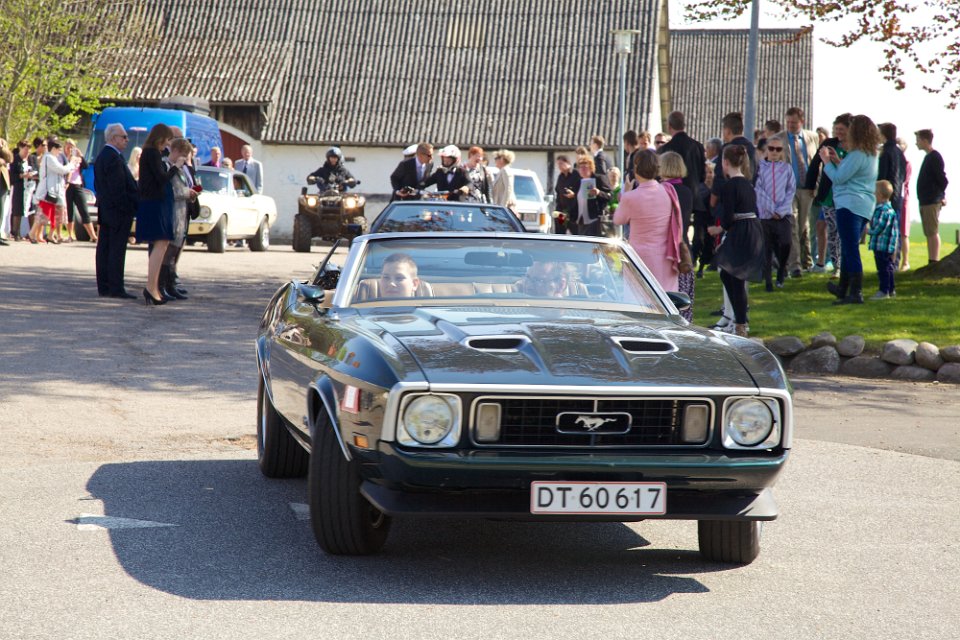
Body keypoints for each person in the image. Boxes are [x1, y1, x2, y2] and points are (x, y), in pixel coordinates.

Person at [822, 114, 881, 305]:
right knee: (849, 247)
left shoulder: (857, 154)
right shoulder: (871, 154)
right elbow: (852, 173)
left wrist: (827, 162)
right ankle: (843, 288)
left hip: (850, 204)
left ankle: (856, 292)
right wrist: (838, 162)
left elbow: (839, 178)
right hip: (864, 205)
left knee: (850, 248)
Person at [708, 145, 765, 337]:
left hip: (741, 231)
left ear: (725, 163)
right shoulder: (748, 184)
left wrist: (718, 229)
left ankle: (740, 323)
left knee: (735, 276)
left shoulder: (729, 186)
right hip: (751, 230)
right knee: (727, 274)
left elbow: (727, 217)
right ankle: (738, 318)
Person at [613, 150, 682, 292]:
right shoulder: (668, 191)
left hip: (639, 257)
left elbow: (618, 219)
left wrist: (625, 193)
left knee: (638, 298)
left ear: (636, 168)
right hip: (665, 256)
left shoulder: (630, 197)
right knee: (665, 298)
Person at [137, 123, 181, 305]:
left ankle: (153, 287)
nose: (168, 144)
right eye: (168, 140)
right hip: (155, 203)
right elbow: (162, 178)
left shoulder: (150, 153)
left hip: (155, 203)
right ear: (161, 138)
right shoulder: (152, 153)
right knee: (160, 243)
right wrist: (175, 167)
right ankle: (150, 287)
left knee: (162, 244)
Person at [93, 124, 139, 299]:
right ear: (113, 138)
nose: (127, 140)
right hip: (117, 212)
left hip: (107, 210)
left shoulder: (105, 155)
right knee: (115, 250)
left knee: (106, 248)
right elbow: (118, 188)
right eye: (124, 136)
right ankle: (115, 287)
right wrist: (127, 207)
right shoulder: (112, 157)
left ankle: (105, 286)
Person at [805, 113, 852, 276]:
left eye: (841, 129)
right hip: (829, 194)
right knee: (831, 230)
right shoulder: (829, 144)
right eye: (836, 129)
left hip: (847, 195)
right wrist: (810, 185)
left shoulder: (856, 148)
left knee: (843, 231)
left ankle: (845, 263)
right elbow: (815, 163)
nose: (838, 132)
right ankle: (836, 265)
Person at [755, 135, 797, 291]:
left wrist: (780, 211)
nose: (774, 152)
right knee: (766, 248)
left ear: (782, 151)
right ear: (766, 150)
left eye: (778, 149)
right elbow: (758, 189)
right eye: (771, 148)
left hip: (783, 215)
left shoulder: (787, 169)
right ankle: (768, 282)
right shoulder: (760, 168)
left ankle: (781, 270)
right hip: (765, 216)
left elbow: (791, 190)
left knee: (786, 243)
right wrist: (771, 209)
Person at [657, 151, 696, 320]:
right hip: (683, 246)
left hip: (667, 250)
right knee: (683, 300)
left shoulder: (661, 191)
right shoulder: (687, 191)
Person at [782, 106, 820, 275]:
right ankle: (794, 265)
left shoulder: (812, 137)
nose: (790, 125)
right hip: (788, 189)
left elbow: (816, 162)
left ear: (802, 122)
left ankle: (806, 260)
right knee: (792, 224)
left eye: (794, 122)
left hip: (807, 188)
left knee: (803, 226)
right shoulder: (779, 139)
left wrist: (816, 184)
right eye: (788, 122)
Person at [32, 138, 78, 245]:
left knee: (58, 214)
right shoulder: (48, 158)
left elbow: (62, 171)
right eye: (59, 150)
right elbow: (61, 169)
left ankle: (50, 235)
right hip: (48, 192)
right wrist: (71, 163)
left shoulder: (53, 158)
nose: (60, 152)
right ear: (53, 148)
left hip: (56, 191)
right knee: (43, 214)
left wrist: (71, 165)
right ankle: (32, 233)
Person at [915, 128, 948, 263]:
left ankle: (934, 260)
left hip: (931, 200)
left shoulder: (934, 157)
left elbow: (942, 180)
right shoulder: (929, 157)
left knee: (932, 231)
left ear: (925, 140)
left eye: (918, 140)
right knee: (929, 231)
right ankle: (931, 260)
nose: (916, 143)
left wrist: (941, 196)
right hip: (926, 200)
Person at [868, 180, 900, 300]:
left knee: (883, 269)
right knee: (889, 267)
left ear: (880, 195)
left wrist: (869, 231)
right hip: (888, 245)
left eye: (874, 193)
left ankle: (884, 290)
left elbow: (880, 227)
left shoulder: (882, 210)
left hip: (881, 245)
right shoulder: (890, 210)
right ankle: (891, 289)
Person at [63, 139, 96, 243]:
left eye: (72, 147)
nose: (70, 149)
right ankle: (70, 235)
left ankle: (92, 235)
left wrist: (80, 155)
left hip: (78, 185)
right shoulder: (63, 158)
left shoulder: (77, 158)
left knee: (84, 210)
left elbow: (86, 166)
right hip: (67, 185)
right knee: (69, 211)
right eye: (68, 147)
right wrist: (69, 158)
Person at [571, 155, 612, 236]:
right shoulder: (578, 182)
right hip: (581, 221)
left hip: (595, 220)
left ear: (591, 168)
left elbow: (610, 196)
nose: (582, 170)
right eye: (580, 168)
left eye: (585, 167)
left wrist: (599, 192)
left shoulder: (599, 179)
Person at [8, 140, 30, 241]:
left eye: (28, 150)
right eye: (25, 149)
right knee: (16, 210)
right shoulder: (15, 159)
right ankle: (15, 232)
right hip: (17, 186)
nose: (27, 152)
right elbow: (12, 175)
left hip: (26, 186)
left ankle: (19, 232)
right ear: (20, 148)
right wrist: (21, 175)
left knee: (22, 210)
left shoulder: (28, 159)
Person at [553, 155, 580, 234]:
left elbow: (581, 190)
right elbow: (558, 191)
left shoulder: (576, 174)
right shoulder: (560, 177)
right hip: (562, 211)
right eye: (558, 164)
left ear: (567, 163)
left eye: (561, 163)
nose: (559, 166)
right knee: (560, 233)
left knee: (576, 234)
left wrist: (574, 194)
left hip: (574, 212)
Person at [897, 137, 913, 271]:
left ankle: (905, 261)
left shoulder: (906, 163)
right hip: (896, 197)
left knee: (904, 232)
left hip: (903, 198)